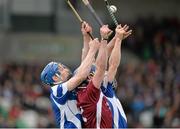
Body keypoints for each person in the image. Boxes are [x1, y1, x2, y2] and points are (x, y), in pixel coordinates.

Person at [78, 22, 132, 128]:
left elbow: (97, 57)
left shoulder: (92, 87)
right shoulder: (103, 89)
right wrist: (117, 40)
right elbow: (112, 65)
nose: (106, 73)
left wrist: (116, 37)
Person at [40, 37, 100, 128]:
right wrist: (93, 50)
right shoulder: (57, 90)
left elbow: (85, 64)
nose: (65, 69)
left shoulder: (68, 85)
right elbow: (81, 75)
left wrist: (85, 37)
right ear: (55, 78)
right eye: (61, 69)